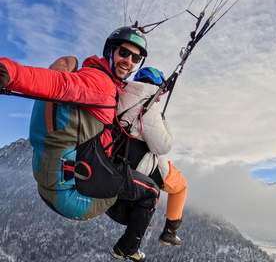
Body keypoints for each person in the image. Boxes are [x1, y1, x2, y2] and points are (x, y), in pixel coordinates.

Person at [0, 25, 160, 262]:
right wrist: (11, 72)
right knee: (151, 193)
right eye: (124, 53)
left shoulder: (104, 79)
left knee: (129, 178)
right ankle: (128, 249)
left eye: (136, 58)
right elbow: (59, 84)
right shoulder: (101, 83)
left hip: (50, 183)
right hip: (74, 197)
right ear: (110, 51)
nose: (129, 61)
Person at [116, 66, 187, 247]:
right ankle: (170, 231)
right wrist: (163, 122)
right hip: (140, 162)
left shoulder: (120, 97)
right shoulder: (149, 106)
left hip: (119, 157)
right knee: (180, 186)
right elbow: (163, 146)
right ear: (157, 88)